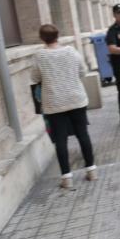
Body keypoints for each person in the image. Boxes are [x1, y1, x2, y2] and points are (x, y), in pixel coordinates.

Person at [31, 24, 97, 189]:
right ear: (58, 35)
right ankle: (91, 170)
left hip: (54, 103)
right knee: (83, 134)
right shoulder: (71, 52)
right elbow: (82, 72)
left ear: (42, 38)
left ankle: (67, 178)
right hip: (76, 99)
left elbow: (35, 78)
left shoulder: (39, 56)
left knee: (60, 140)